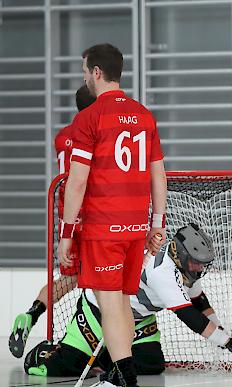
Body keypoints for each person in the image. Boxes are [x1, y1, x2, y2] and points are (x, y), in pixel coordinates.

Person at [56, 43, 168, 387]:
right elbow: (158, 174)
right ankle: (121, 373)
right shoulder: (144, 114)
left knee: (111, 304)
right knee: (121, 300)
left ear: (96, 72)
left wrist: (67, 233)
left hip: (104, 226)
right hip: (136, 225)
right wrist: (156, 224)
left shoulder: (89, 117)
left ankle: (124, 377)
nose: (84, 77)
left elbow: (76, 183)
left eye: (84, 71)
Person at [24, 224, 232, 377]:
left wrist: (221, 330)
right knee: (64, 367)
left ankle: (108, 359)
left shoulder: (186, 269)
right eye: (196, 262)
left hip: (138, 318)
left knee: (151, 365)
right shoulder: (162, 271)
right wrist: (229, 343)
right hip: (100, 310)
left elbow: (200, 302)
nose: (200, 268)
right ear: (183, 256)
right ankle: (45, 352)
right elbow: (190, 317)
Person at [8, 85, 96, 359]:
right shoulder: (94, 133)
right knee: (102, 280)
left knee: (68, 280)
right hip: (92, 214)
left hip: (67, 216)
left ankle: (31, 315)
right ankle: (89, 340)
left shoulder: (62, 136)